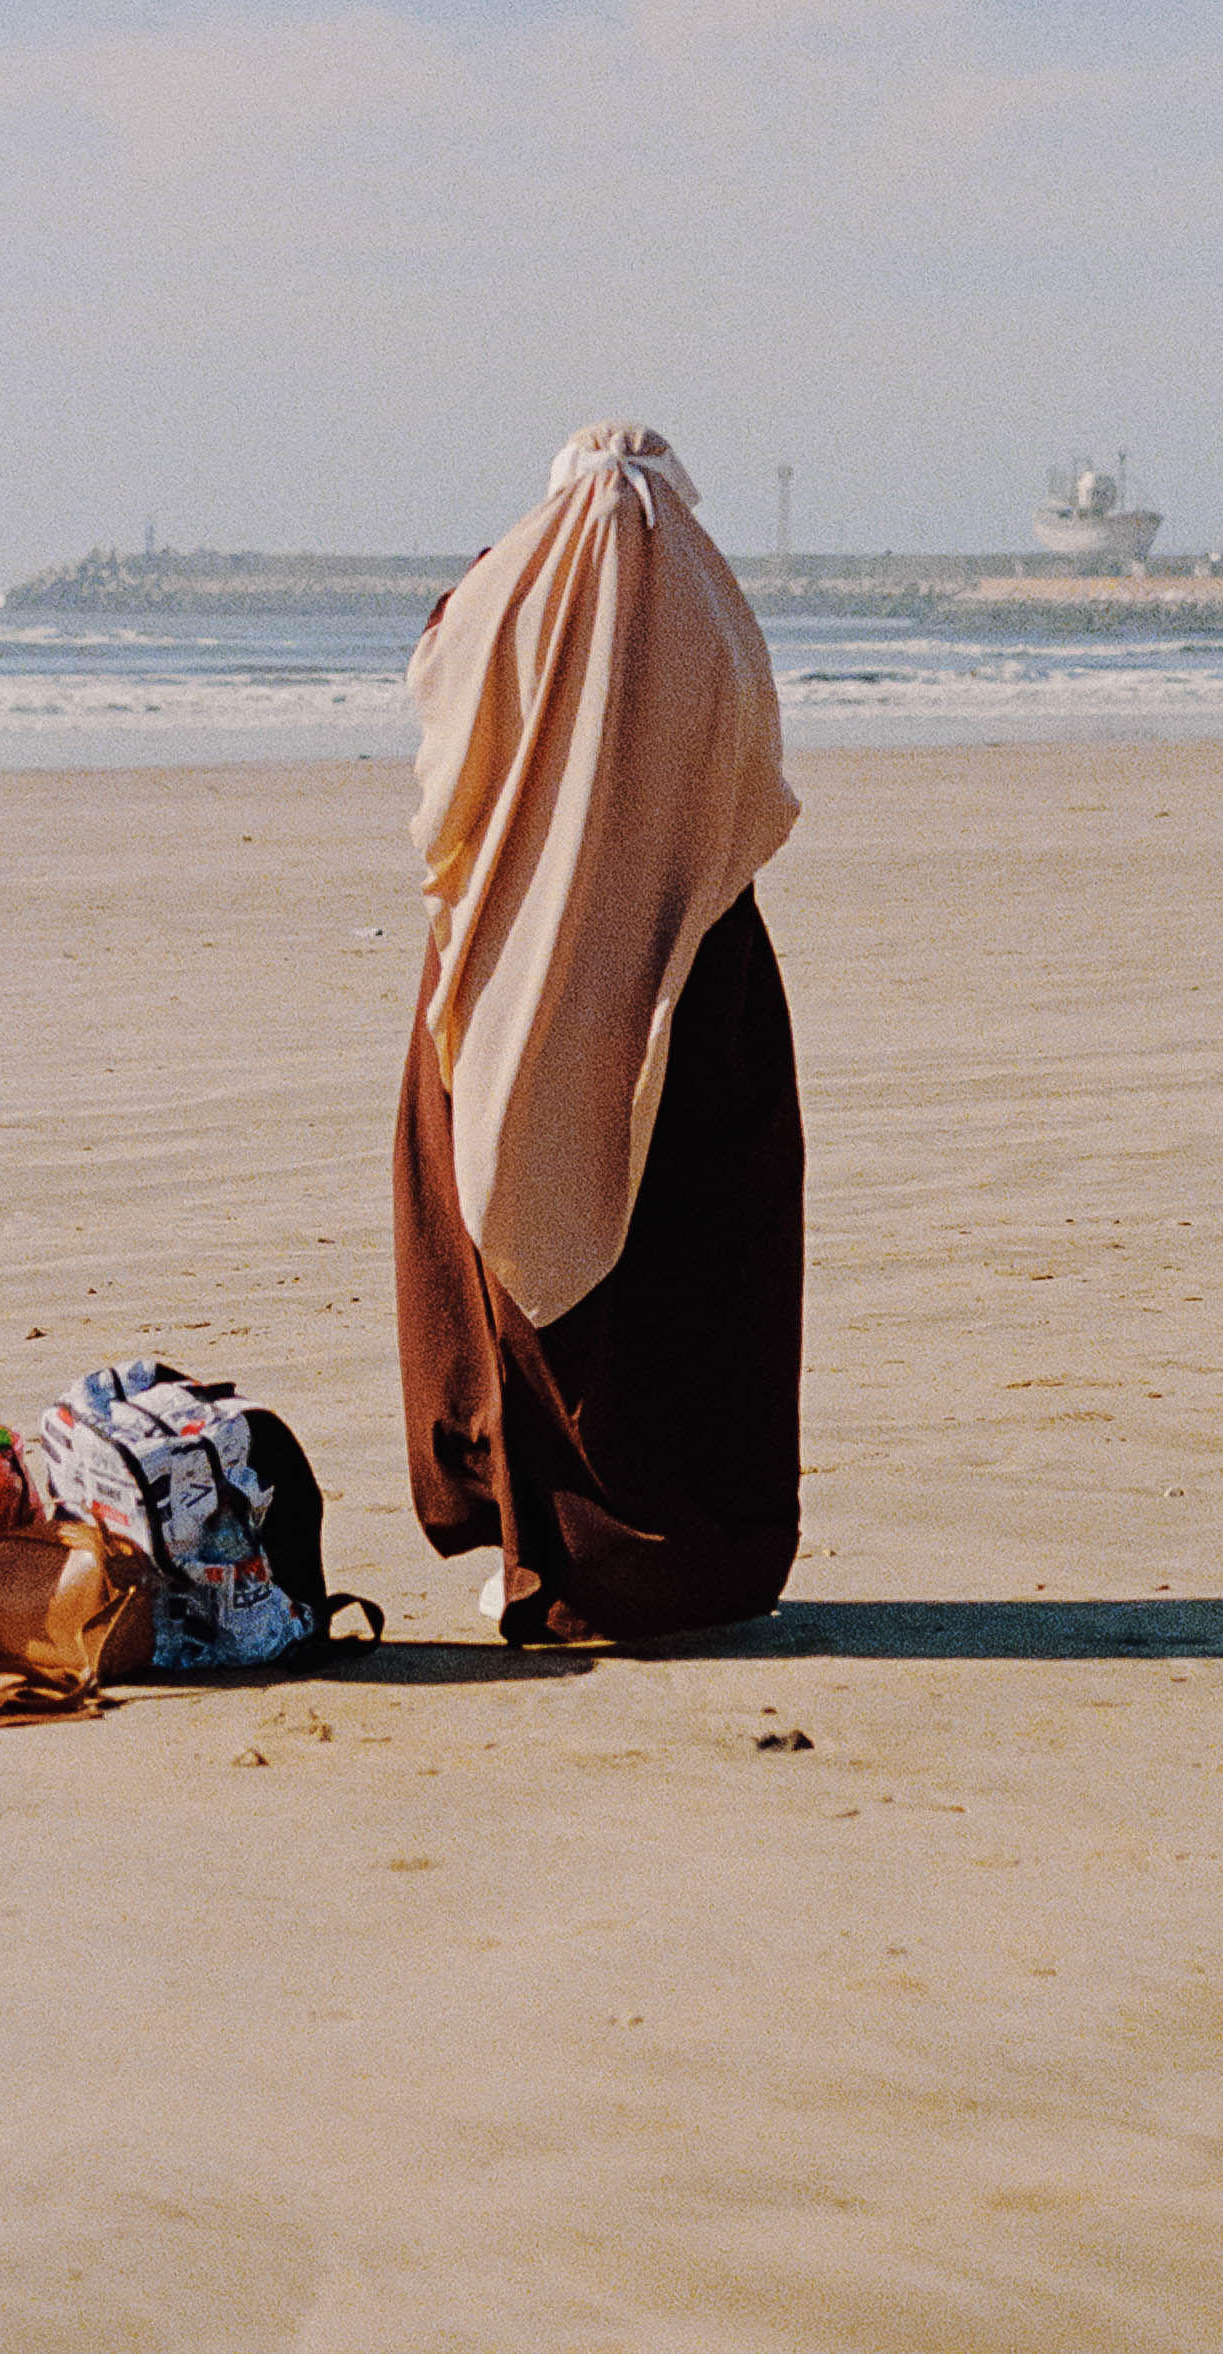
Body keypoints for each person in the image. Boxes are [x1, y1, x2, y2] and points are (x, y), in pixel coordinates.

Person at [392, 422, 805, 1643]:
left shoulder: (499, 600)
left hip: (504, 964)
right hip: (691, 964)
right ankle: (688, 1548)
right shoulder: (716, 617)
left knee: (503, 1234)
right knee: (696, 1258)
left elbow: (441, 735)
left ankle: (529, 1534)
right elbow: (749, 782)